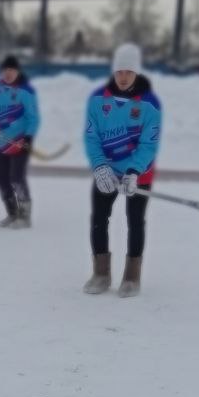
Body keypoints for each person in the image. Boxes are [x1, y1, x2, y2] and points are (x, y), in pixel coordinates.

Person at [83, 42, 162, 297]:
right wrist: (99, 166)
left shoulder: (149, 104)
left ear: (136, 72)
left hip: (138, 172)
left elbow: (148, 145)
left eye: (128, 71)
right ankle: (101, 273)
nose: (124, 77)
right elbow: (92, 138)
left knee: (135, 220)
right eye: (119, 71)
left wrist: (133, 171)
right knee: (98, 218)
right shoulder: (97, 100)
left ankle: (131, 277)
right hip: (106, 171)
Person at [0, 55, 39, 228]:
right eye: (5, 70)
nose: (8, 73)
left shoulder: (26, 91)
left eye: (11, 70)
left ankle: (25, 215)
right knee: (1, 179)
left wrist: (28, 137)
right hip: (1, 142)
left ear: (17, 71)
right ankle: (12, 212)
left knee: (17, 178)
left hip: (20, 142)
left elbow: (33, 118)